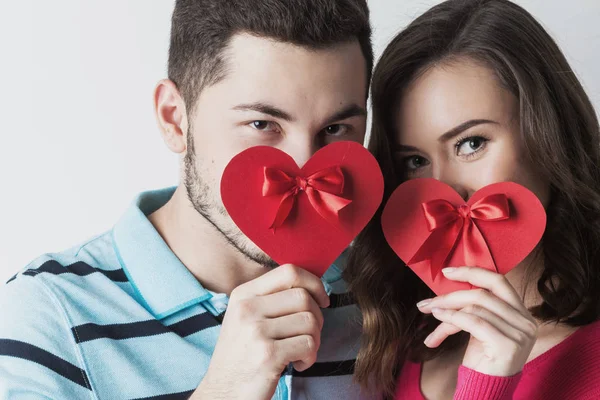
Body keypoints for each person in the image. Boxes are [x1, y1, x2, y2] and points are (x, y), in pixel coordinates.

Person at [0, 1, 375, 399]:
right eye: (261, 124)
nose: (304, 169)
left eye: (335, 128)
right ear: (174, 118)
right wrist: (225, 390)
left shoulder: (381, 295)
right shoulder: (48, 316)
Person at [345, 0, 600, 399]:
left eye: (471, 143)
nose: (443, 192)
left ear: (549, 135)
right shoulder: (399, 338)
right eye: (415, 161)